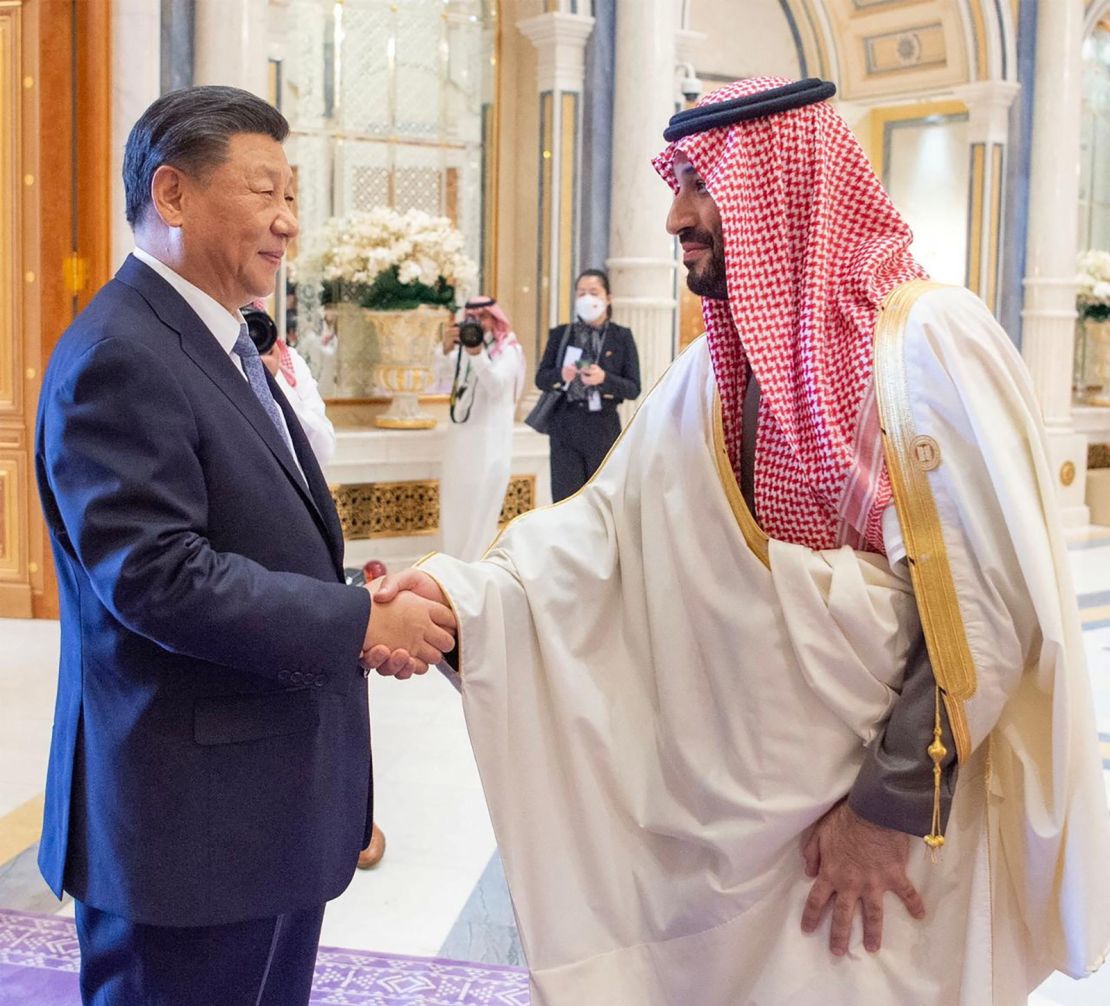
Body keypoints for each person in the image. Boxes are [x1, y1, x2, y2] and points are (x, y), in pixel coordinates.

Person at [372, 77, 1110, 1004]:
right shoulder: (708, 378)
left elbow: (985, 609)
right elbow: (603, 537)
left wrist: (884, 811)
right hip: (741, 817)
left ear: (784, 187)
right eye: (675, 181)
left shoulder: (926, 346)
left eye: (700, 182)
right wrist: (455, 596)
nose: (677, 213)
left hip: (890, 825)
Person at [34, 85, 455, 1006]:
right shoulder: (123, 353)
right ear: (173, 194)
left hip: (254, 815)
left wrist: (352, 593)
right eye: (264, 192)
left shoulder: (211, 341)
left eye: (292, 196)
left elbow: (250, 533)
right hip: (188, 827)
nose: (288, 222)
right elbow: (157, 577)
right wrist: (357, 619)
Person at [534, 269, 641, 500]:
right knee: (566, 498)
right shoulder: (561, 334)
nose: (586, 298)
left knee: (602, 498)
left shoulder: (621, 336)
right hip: (565, 424)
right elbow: (541, 378)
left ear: (607, 298)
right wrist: (561, 375)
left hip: (603, 424)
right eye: (581, 293)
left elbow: (633, 388)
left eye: (593, 292)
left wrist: (605, 379)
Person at [434, 295, 526, 560]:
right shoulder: (463, 349)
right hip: (460, 443)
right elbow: (439, 378)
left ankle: (473, 566)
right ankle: (451, 563)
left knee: (479, 508)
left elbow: (496, 387)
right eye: (472, 318)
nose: (478, 324)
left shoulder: (509, 349)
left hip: (490, 446)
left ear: (495, 319)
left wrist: (478, 355)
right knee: (454, 504)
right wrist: (446, 349)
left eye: (484, 317)